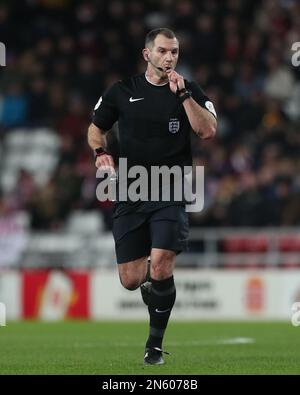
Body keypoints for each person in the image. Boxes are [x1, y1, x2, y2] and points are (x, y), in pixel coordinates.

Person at [87, 28, 217, 365]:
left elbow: (207, 131)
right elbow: (95, 128)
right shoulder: (121, 91)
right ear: (148, 54)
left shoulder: (188, 89)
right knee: (131, 280)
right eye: (162, 51)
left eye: (174, 52)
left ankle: (154, 346)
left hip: (171, 187)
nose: (169, 58)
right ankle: (151, 283)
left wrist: (185, 96)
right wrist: (101, 151)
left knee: (161, 263)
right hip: (131, 191)